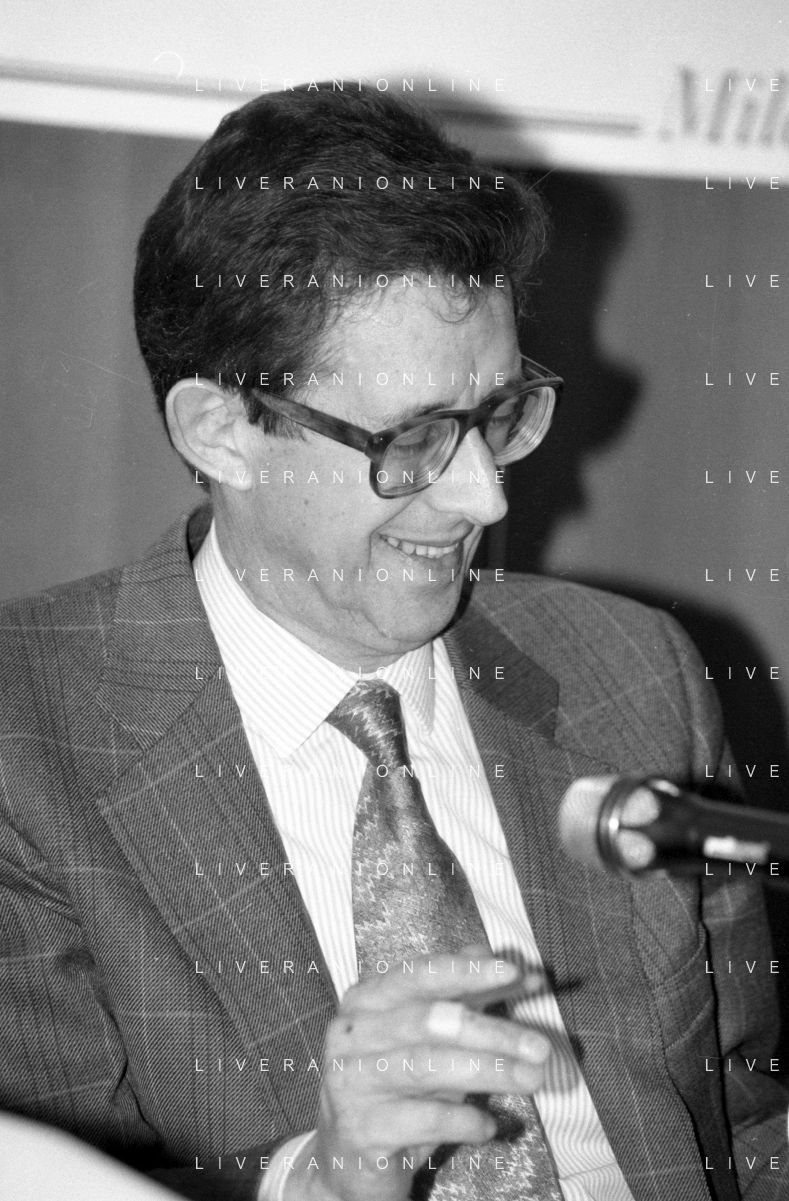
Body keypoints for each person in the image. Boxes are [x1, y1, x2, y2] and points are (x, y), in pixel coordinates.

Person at [0, 84, 786, 1201]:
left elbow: (750, 1121)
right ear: (221, 432)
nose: (482, 495)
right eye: (414, 439)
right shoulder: (26, 734)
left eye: (499, 415)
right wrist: (322, 1180)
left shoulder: (637, 671)